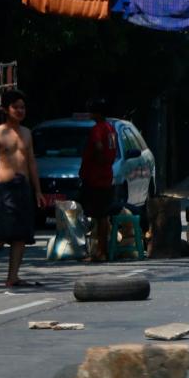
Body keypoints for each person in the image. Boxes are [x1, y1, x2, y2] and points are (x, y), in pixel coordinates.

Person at [0, 89, 47, 287]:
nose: (19, 110)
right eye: (15, 107)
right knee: (0, 235)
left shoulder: (27, 133)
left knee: (21, 236)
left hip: (23, 188)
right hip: (3, 189)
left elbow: (32, 162)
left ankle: (13, 277)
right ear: (5, 109)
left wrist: (38, 190)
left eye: (22, 107)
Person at [79, 99, 118, 262]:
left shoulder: (97, 129)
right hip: (106, 175)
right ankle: (101, 250)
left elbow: (98, 148)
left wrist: (97, 163)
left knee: (98, 216)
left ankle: (100, 251)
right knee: (102, 216)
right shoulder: (111, 128)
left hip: (95, 176)